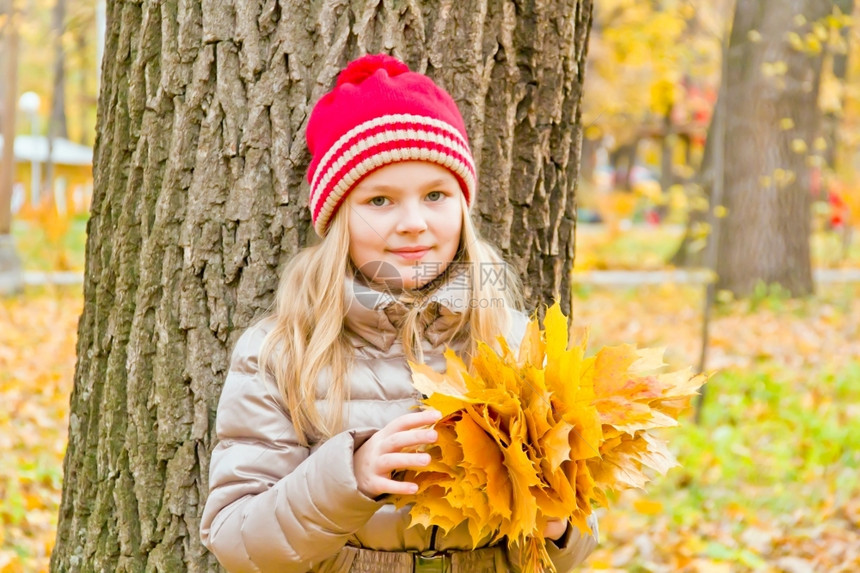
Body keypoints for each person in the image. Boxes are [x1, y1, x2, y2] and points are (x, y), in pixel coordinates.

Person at [200, 53, 599, 573]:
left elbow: (578, 532)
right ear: (337, 216)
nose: (413, 223)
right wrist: (350, 477)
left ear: (463, 207)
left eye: (435, 195)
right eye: (380, 200)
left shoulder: (512, 339)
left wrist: (561, 526)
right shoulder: (280, 352)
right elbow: (236, 539)